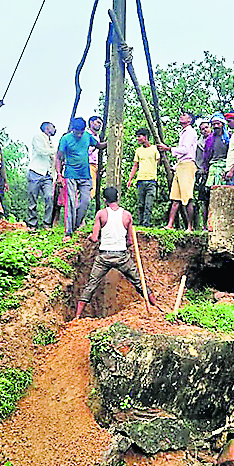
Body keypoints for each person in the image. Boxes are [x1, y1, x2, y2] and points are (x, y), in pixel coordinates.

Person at [73, 186, 156, 320]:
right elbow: (129, 241)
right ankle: (156, 307)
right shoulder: (127, 215)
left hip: (104, 256)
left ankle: (77, 317)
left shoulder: (101, 214)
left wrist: (89, 236)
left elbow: (94, 238)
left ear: (105, 200)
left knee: (91, 285)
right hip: (122, 256)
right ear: (117, 198)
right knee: (140, 283)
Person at [56, 117, 106, 241]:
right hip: (71, 175)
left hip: (85, 175)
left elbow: (98, 145)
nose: (79, 134)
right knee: (71, 203)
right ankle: (68, 233)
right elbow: (59, 157)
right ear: (73, 129)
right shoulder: (65, 139)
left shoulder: (87, 136)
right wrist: (59, 174)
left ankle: (76, 225)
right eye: (77, 132)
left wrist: (111, 141)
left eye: (81, 132)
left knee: (85, 202)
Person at [158, 111, 197, 231]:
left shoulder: (190, 132)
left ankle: (190, 227)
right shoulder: (183, 132)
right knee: (175, 198)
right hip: (181, 166)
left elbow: (185, 150)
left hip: (187, 166)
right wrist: (175, 167)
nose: (181, 116)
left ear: (189, 120)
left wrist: (168, 148)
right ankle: (170, 225)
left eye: (184, 115)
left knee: (187, 196)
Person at [27, 121, 58, 230]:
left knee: (49, 197)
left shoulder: (52, 142)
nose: (54, 129)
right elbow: (41, 151)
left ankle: (47, 223)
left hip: (47, 174)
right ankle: (32, 224)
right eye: (53, 127)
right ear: (47, 128)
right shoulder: (38, 137)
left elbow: (54, 159)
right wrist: (55, 151)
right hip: (36, 171)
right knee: (32, 199)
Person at [126, 128, 160, 227]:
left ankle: (147, 223)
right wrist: (130, 179)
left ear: (145, 137)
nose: (138, 139)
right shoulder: (138, 151)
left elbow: (159, 160)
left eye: (139, 136)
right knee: (140, 204)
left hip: (151, 180)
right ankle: (140, 223)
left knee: (148, 204)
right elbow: (135, 165)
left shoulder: (154, 149)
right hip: (140, 180)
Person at [88, 115, 103, 199]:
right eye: (97, 122)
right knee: (90, 189)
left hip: (96, 164)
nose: (99, 125)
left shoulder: (98, 136)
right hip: (89, 163)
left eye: (100, 123)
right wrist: (96, 146)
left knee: (93, 189)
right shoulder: (86, 135)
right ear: (91, 123)